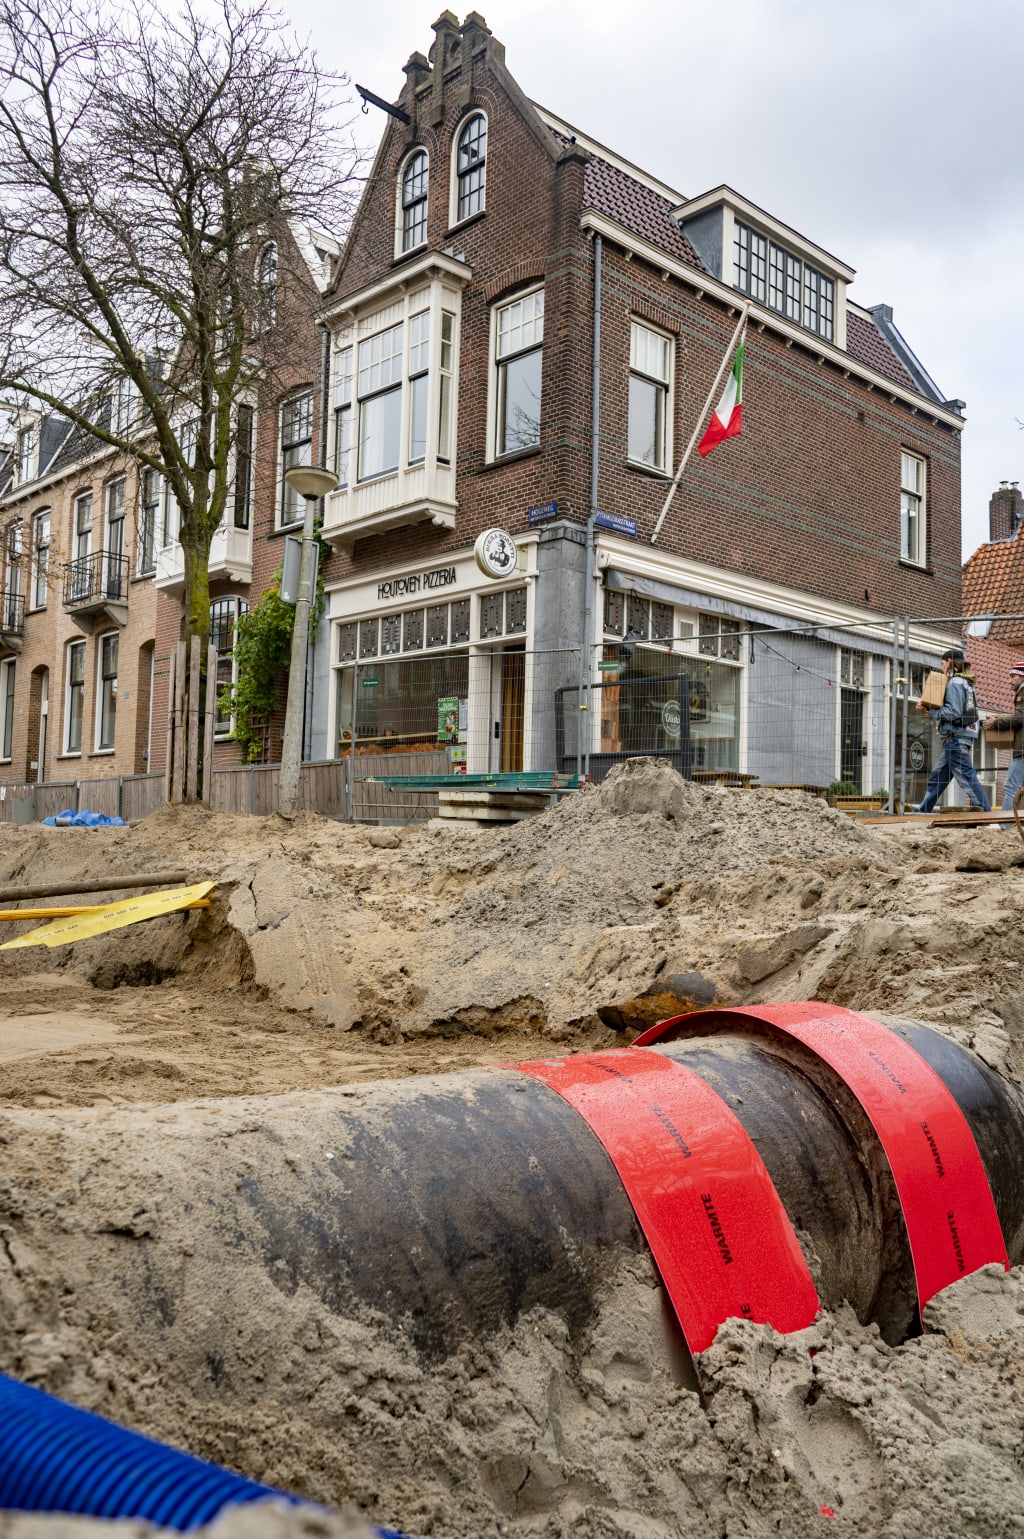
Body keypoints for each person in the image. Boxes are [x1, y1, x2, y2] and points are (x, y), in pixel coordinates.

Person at [915, 648, 991, 813]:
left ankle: (987, 814)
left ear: (949, 661)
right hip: (959, 737)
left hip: (956, 739)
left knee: (967, 778)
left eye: (942, 663)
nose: (942, 668)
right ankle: (922, 812)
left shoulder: (956, 683)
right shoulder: (968, 682)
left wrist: (929, 711)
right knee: (937, 779)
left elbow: (952, 712)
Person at [985, 659, 1024, 812]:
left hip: (1023, 749)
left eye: (1013, 676)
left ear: (1022, 676)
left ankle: (1005, 823)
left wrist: (995, 723)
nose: (1010, 680)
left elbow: (1020, 718)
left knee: (1011, 786)